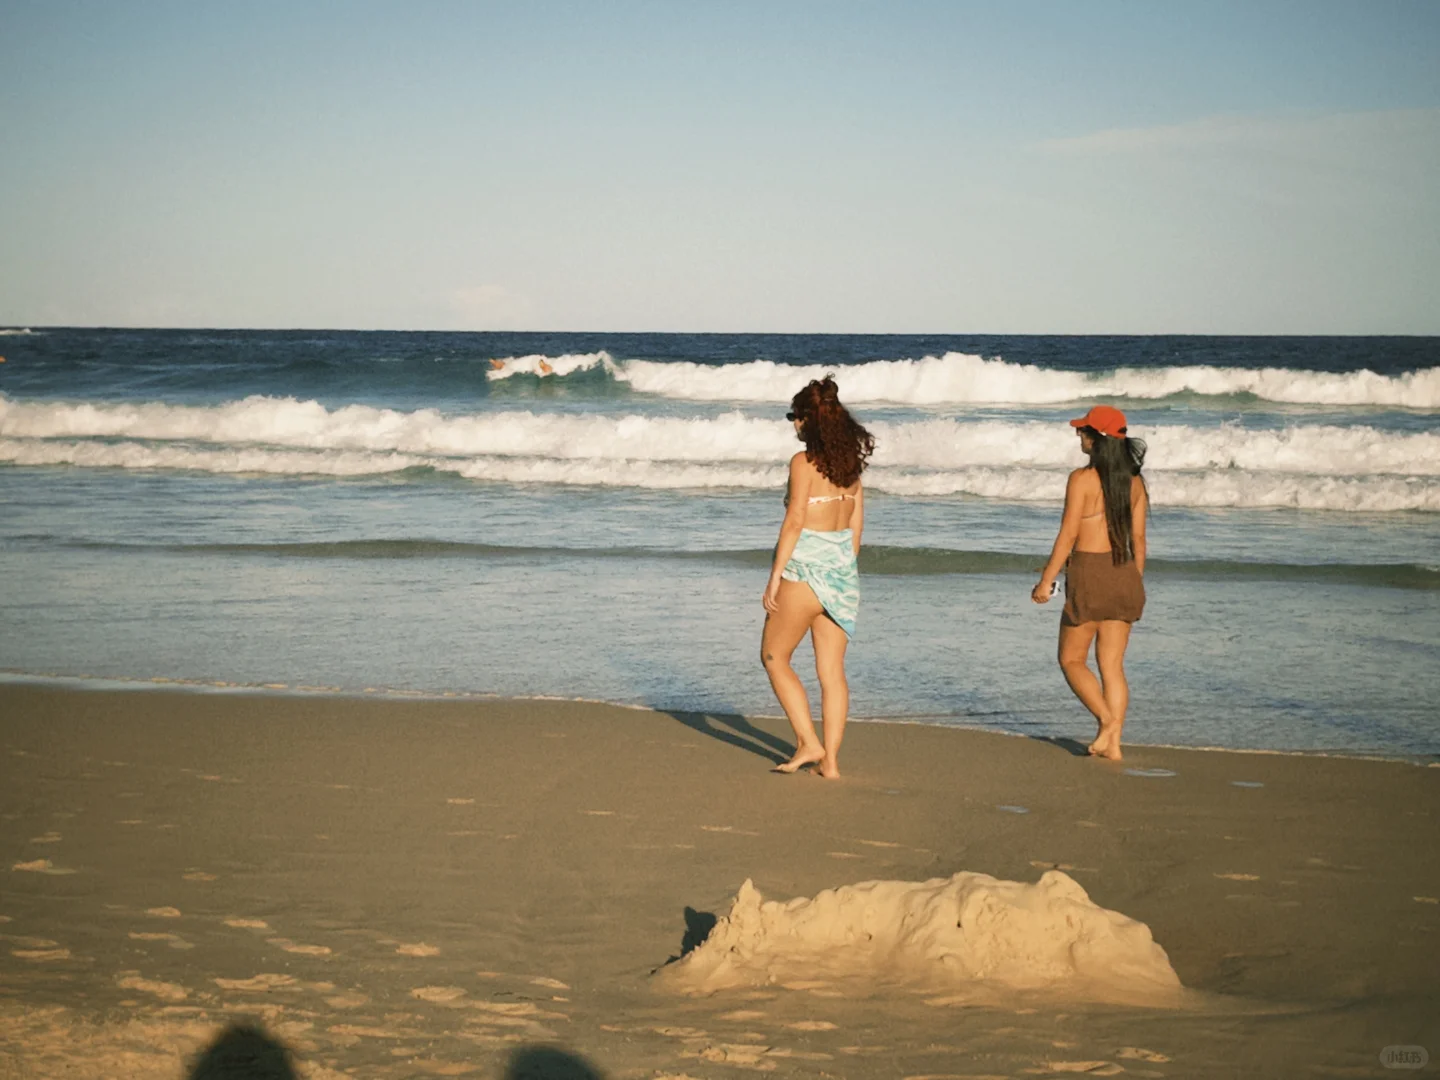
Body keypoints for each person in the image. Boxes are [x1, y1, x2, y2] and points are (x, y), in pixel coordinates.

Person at [762, 376, 875, 778]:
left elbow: (794, 522)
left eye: (796, 416)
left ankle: (809, 742)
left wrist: (776, 576)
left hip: (804, 572)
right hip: (843, 574)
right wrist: (840, 568)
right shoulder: (852, 469)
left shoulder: (802, 463)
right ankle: (831, 762)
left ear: (811, 420)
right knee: (832, 672)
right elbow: (857, 530)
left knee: (774, 657)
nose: (793, 424)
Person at [1031, 405, 1148, 761]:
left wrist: (1046, 581)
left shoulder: (1081, 479)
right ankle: (1113, 744)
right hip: (1125, 572)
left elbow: (1068, 535)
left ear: (1098, 440)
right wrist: (1133, 581)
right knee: (1111, 666)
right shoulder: (1136, 481)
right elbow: (1139, 541)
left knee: (1071, 659)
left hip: (1089, 571)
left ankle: (1107, 722)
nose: (1078, 435)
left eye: (1083, 431)